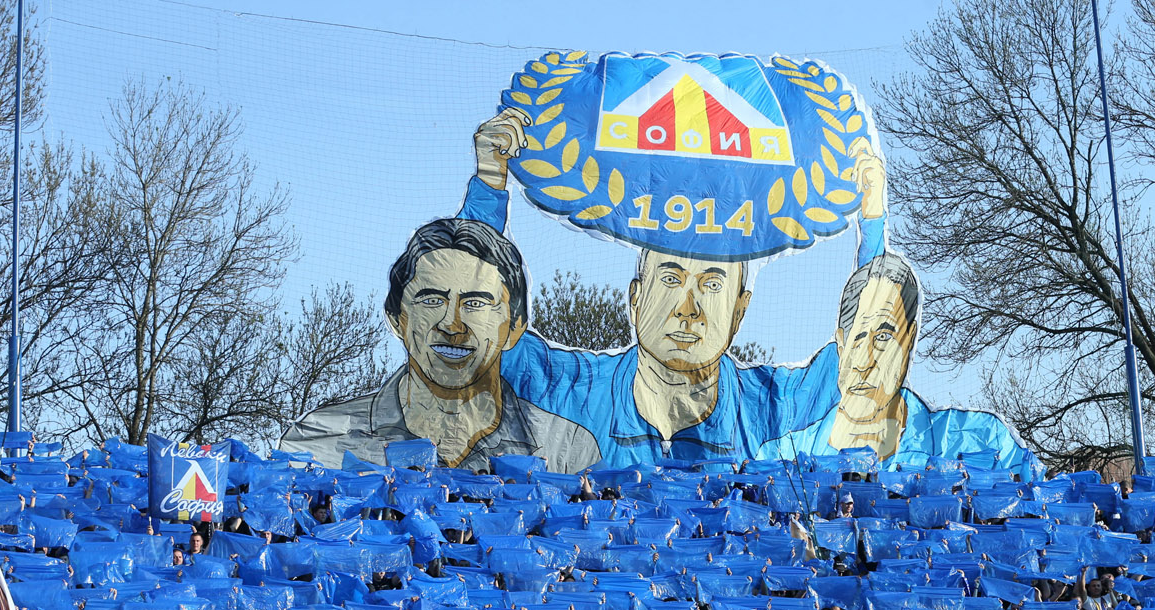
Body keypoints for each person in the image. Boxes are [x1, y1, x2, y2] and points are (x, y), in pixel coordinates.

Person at [462, 111, 883, 467]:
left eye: (712, 284)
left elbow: (864, 350)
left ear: (739, 311)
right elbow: (487, 335)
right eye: (670, 279)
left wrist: (872, 215)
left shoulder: (763, 405)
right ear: (635, 298)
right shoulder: (579, 391)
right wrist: (489, 183)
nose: (688, 308)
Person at [279, 217, 599, 472]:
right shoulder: (318, 441)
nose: (452, 324)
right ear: (396, 318)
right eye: (432, 300)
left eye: (475, 303)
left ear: (515, 327)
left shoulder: (569, 449)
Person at [754, 253, 1039, 477]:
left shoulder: (981, 440)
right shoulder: (781, 456)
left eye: (883, 337)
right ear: (840, 344)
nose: (864, 362)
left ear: (909, 339)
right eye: (858, 339)